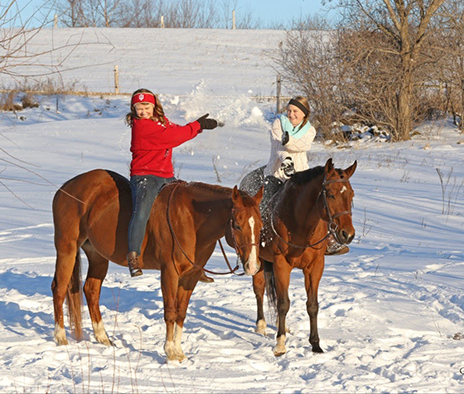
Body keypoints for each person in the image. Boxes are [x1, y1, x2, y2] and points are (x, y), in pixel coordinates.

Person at [125, 88, 219, 278]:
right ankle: (134, 255)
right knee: (142, 212)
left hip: (167, 176)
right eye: (138, 108)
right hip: (145, 176)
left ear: (153, 106)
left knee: (186, 210)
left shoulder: (161, 122)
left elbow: (177, 130)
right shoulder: (142, 126)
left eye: (146, 106)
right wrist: (196, 125)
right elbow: (174, 137)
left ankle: (193, 263)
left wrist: (199, 126)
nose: (142, 111)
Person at [242, 96, 349, 255]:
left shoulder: (310, 130)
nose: (291, 114)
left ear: (304, 114)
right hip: (277, 173)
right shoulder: (278, 123)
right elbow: (279, 147)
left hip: (300, 176)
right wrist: (286, 161)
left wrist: (289, 140)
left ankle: (329, 240)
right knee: (265, 203)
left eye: (295, 111)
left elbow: (303, 145)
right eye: (289, 110)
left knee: (320, 202)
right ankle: (256, 241)